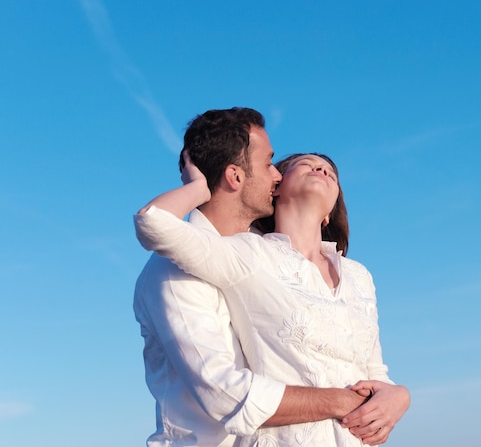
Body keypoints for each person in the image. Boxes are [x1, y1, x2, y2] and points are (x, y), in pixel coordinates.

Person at [134, 107, 407, 447]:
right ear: (235, 176)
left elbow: (371, 372)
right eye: (270, 165)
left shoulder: (355, 276)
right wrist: (200, 186)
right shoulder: (179, 271)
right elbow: (223, 392)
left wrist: (399, 396)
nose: (276, 177)